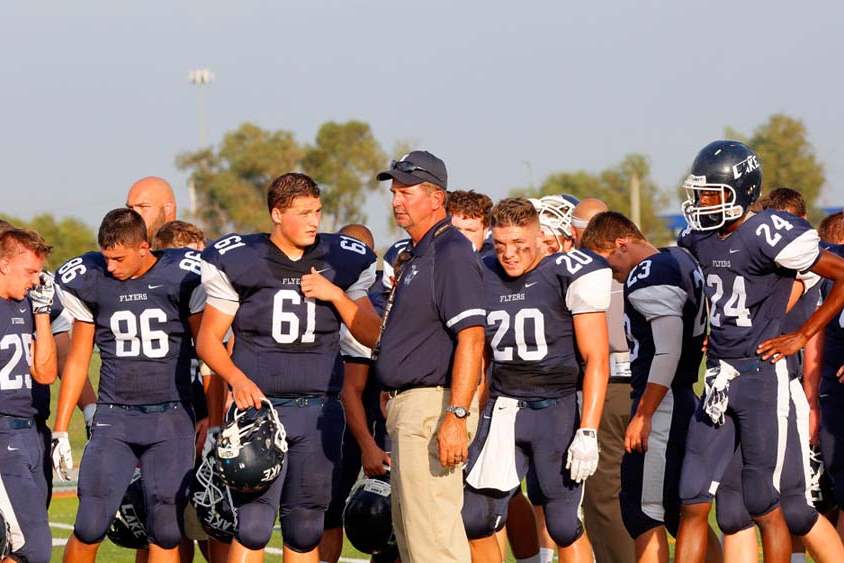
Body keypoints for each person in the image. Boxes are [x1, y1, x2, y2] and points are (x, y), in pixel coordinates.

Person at [197, 172, 380, 563]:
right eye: (303, 212)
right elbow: (208, 340)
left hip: (319, 411)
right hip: (261, 411)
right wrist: (237, 379)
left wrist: (335, 294)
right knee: (253, 525)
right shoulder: (240, 259)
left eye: (317, 211)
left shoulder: (342, 260)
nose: (314, 221)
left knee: (306, 528)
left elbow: (371, 335)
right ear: (277, 214)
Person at [675, 140, 844, 563]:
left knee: (764, 500)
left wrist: (802, 335)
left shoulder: (769, 233)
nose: (701, 203)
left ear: (741, 192)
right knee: (693, 497)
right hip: (717, 376)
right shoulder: (697, 237)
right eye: (699, 193)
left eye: (712, 194)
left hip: (760, 377)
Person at [52, 208, 205, 563]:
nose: (110, 267)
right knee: (90, 521)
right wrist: (60, 428)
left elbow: (209, 350)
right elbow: (77, 359)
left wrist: (213, 417)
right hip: (115, 417)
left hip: (170, 417)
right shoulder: (90, 279)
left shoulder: (181, 275)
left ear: (144, 247)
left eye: (119, 258)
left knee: (166, 528)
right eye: (106, 258)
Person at [462, 198, 610, 563]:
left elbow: (597, 358)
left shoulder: (565, 272)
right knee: (475, 519)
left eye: (519, 245)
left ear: (540, 238)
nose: (509, 254)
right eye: (500, 245)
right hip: (503, 408)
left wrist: (588, 430)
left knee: (561, 523)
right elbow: (479, 357)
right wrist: (465, 416)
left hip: (555, 410)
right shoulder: (483, 274)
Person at [581, 211, 722, 563]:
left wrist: (644, 413)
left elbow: (666, 350)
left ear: (621, 243)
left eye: (608, 262)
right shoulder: (678, 258)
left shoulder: (649, 272)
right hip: (682, 396)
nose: (610, 273)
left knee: (644, 512)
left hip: (662, 403)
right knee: (679, 512)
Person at [714, 188, 844, 563]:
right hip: (744, 384)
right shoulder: (758, 259)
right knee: (733, 507)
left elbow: (812, 345)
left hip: (780, 390)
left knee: (792, 506)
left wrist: (811, 399)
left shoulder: (804, 268)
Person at [373, 151, 486, 563]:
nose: (396, 200)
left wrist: (456, 415)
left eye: (406, 192)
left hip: (432, 406)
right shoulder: (417, 253)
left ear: (436, 197)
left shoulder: (450, 251)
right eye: (394, 191)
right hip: (410, 407)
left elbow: (472, 338)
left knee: (434, 541)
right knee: (414, 539)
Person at [319, 223, 395, 563]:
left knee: (384, 517)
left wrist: (368, 445)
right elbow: (351, 388)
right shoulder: (344, 293)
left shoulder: (368, 303)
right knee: (329, 511)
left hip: (372, 420)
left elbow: (353, 388)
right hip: (343, 416)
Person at [571, 198, 637, 563]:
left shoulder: (592, 269)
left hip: (612, 385)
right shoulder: (659, 262)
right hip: (654, 386)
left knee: (603, 495)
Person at [0, 227, 57, 563]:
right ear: (3, 264)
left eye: (39, 271)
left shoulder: (29, 306)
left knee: (18, 547)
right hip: (3, 433)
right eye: (29, 272)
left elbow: (46, 373)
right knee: (33, 549)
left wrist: (42, 312)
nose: (36, 281)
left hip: (32, 432)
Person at [447, 189, 494, 254]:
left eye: (470, 230)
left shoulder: (496, 261)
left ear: (485, 231)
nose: (462, 237)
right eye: (456, 229)